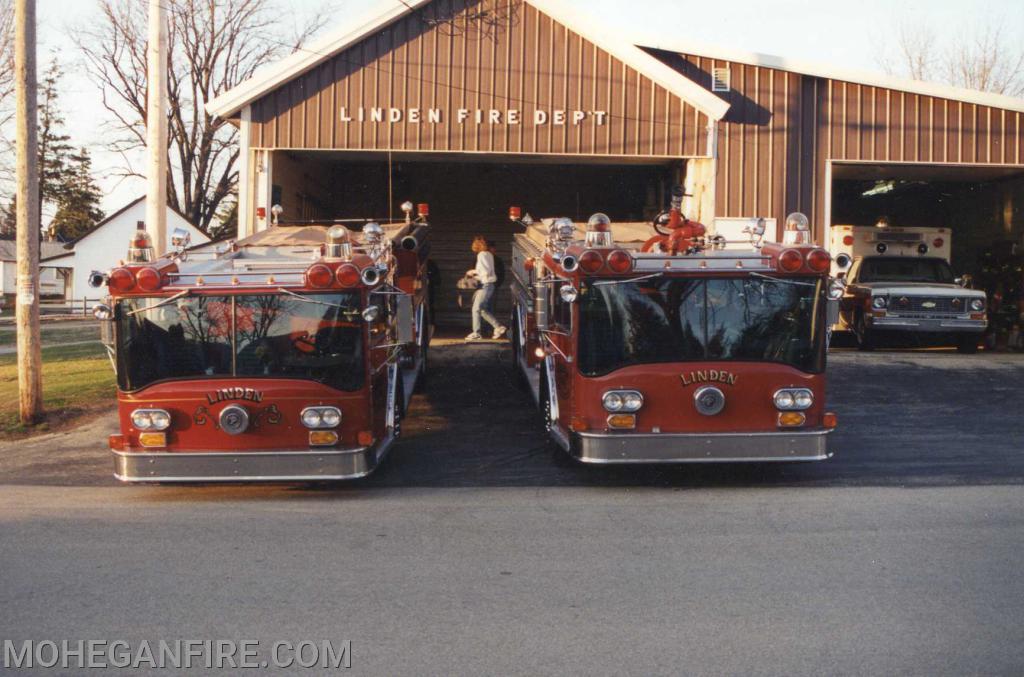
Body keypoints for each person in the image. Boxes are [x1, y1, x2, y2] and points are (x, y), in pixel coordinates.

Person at [465, 235, 507, 341]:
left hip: (485, 285)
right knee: (482, 309)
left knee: (476, 309)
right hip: (489, 285)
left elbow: (484, 272)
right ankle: (497, 327)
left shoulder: (482, 255)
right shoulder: (489, 254)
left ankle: (477, 332)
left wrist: (472, 272)